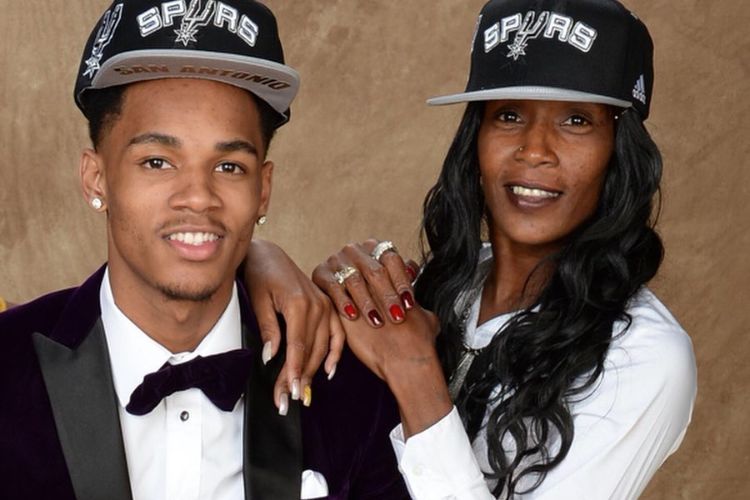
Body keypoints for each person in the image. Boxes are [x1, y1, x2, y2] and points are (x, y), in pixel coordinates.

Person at [0, 1, 408, 499]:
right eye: (157, 161)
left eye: (229, 166)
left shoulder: (346, 389)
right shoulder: (8, 366)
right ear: (96, 177)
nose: (198, 196)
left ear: (263, 190)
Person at [307, 0, 697, 498]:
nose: (534, 149)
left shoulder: (645, 355)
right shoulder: (442, 284)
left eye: (576, 120)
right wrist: (268, 268)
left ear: (620, 152)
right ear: (475, 139)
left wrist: (414, 369)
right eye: (509, 115)